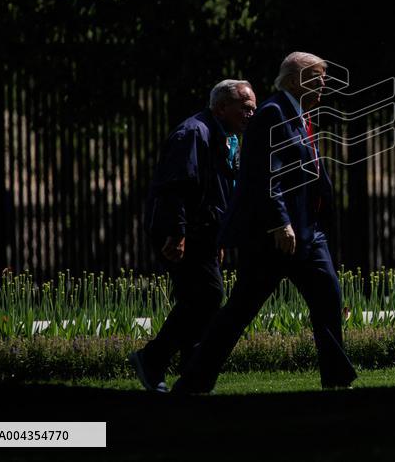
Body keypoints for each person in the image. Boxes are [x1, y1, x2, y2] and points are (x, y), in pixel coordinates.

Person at [173, 52, 357, 393]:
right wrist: (279, 222)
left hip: (308, 233)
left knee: (328, 297)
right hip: (274, 236)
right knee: (240, 311)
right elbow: (264, 173)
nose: (323, 83)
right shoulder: (273, 112)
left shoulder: (301, 113)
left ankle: (337, 381)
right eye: (316, 77)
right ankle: (193, 381)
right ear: (294, 80)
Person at [130, 80, 257, 392]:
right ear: (221, 107)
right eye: (245, 108)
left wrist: (219, 236)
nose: (251, 114)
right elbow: (178, 186)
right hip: (181, 229)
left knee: (198, 299)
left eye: (253, 108)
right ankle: (153, 358)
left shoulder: (227, 136)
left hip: (203, 230)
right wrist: (177, 233)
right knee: (208, 295)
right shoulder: (194, 133)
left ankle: (190, 375)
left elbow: (219, 190)